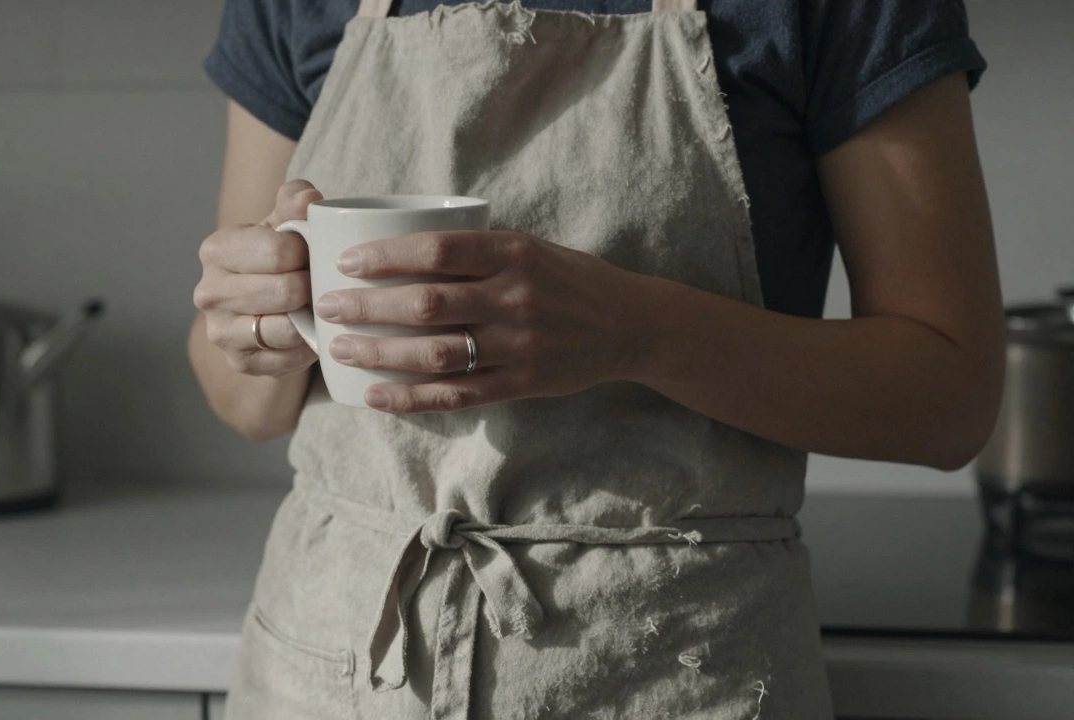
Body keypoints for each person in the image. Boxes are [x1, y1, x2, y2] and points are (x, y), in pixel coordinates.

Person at [188, 0, 1003, 717]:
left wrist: (638, 331)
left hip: (671, 668)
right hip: (334, 664)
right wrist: (255, 318)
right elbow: (243, 399)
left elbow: (949, 397)